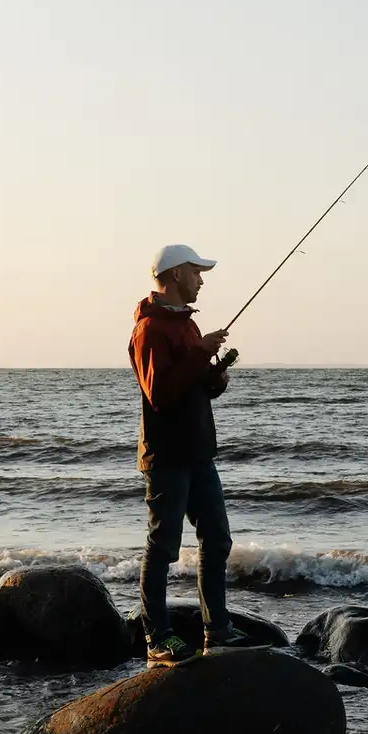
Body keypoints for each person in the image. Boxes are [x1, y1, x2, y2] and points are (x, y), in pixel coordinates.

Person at [129, 243, 249, 665]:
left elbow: (194, 385)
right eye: (196, 273)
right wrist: (201, 353)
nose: (201, 280)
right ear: (176, 274)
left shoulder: (187, 326)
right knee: (163, 546)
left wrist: (215, 375)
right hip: (166, 456)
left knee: (216, 538)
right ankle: (157, 638)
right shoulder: (149, 329)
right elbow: (159, 392)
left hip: (199, 452)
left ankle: (217, 631)